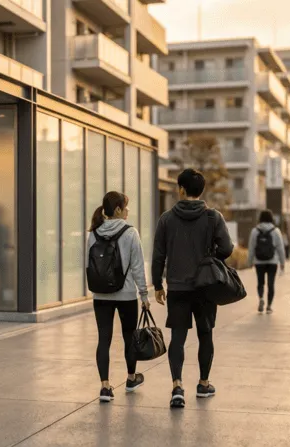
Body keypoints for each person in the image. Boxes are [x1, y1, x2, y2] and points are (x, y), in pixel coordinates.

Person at [152, 169, 234, 409]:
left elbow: (158, 255)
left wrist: (158, 284)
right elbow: (227, 248)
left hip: (177, 287)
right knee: (205, 334)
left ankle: (177, 386)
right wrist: (211, 258)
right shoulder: (213, 217)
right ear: (202, 191)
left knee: (178, 337)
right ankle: (203, 383)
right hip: (205, 286)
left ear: (181, 189)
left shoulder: (167, 218)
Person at [87, 192, 149, 403]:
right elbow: (138, 267)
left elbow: (88, 265)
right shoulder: (130, 233)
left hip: (101, 294)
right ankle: (131, 378)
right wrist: (144, 294)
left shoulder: (93, 233)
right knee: (129, 337)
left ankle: (105, 387)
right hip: (126, 295)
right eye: (126, 207)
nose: (128, 211)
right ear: (118, 210)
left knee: (103, 338)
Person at [247, 210, 286, 314]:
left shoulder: (255, 231)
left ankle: (261, 299)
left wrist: (249, 261)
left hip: (259, 261)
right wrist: (282, 262)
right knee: (271, 284)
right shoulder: (276, 231)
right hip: (272, 261)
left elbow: (251, 248)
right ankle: (269, 306)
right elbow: (280, 248)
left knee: (260, 282)